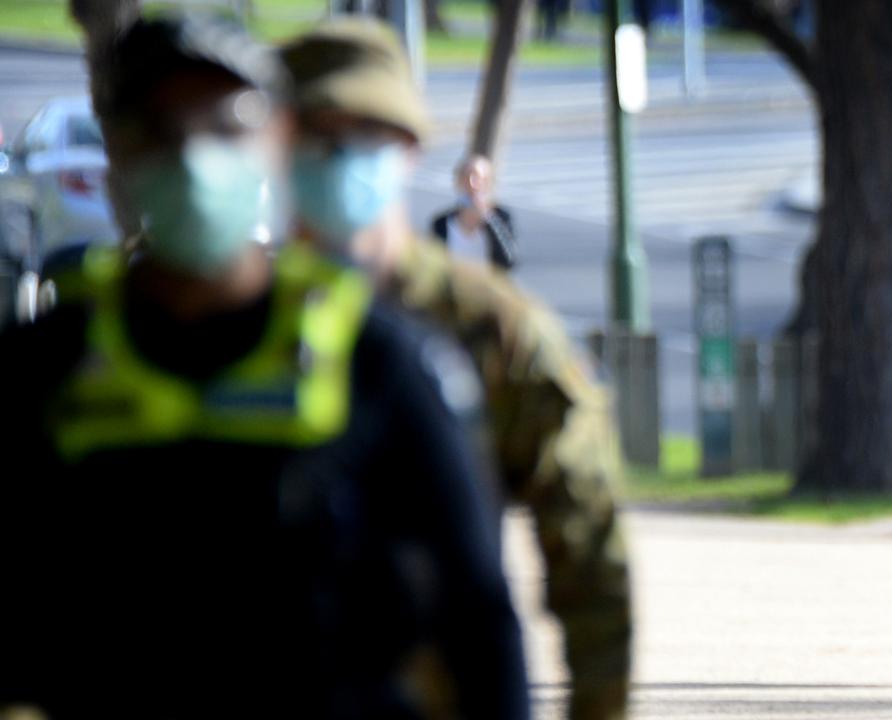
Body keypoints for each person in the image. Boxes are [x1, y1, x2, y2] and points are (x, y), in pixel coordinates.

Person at [0, 15, 529, 719]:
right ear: (119, 154)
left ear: (277, 142)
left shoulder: (374, 360)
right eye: (160, 129)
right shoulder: (45, 367)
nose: (193, 157)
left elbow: (477, 617)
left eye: (227, 126)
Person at [281, 18, 632, 719]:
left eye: (364, 136)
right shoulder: (224, 322)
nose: (338, 154)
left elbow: (588, 549)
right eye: (317, 134)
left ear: (408, 148)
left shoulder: (492, 328)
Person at [429, 154, 518, 270]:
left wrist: (488, 220)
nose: (472, 184)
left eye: (479, 178)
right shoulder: (442, 223)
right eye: (466, 177)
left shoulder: (501, 218)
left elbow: (508, 261)